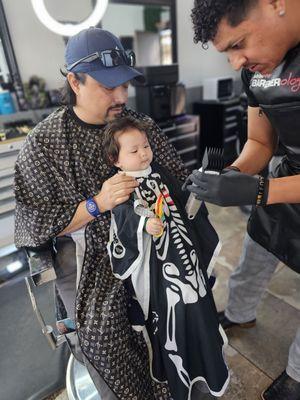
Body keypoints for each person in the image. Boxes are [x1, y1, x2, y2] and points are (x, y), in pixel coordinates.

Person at [14, 26, 221, 400]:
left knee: (189, 299)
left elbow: (175, 177)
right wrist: (95, 204)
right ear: (75, 82)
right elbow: (33, 225)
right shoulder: (44, 146)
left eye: (125, 85)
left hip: (157, 245)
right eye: (108, 87)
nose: (122, 96)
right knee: (105, 331)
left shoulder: (139, 127)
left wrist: (199, 188)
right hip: (95, 263)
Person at [187, 1, 300, 399]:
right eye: (227, 53)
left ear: (275, 4)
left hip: (277, 188)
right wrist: (233, 176)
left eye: (239, 43)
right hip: (287, 178)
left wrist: (260, 191)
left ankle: (298, 376)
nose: (237, 63)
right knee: (255, 253)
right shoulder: (256, 72)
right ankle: (240, 315)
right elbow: (259, 141)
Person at [98, 115, 229, 400]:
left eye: (146, 146)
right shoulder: (121, 186)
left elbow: (183, 202)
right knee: (175, 319)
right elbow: (121, 221)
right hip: (160, 270)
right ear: (116, 160)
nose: (144, 154)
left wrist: (200, 187)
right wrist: (143, 225)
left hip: (187, 261)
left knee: (201, 311)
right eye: (134, 151)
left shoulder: (159, 173)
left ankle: (209, 363)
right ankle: (182, 374)